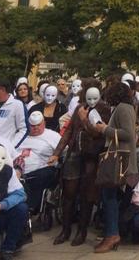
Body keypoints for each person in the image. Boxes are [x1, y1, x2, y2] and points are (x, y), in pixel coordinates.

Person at [51, 81, 109, 246]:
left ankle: (82, 232)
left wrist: (85, 120)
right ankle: (65, 230)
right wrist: (56, 153)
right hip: (75, 153)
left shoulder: (104, 109)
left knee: (87, 195)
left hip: (91, 155)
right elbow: (69, 131)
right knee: (68, 194)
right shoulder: (79, 108)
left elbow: (98, 133)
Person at [94, 82, 139, 253]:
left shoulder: (123, 108)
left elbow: (128, 134)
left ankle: (112, 234)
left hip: (122, 160)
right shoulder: (123, 107)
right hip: (122, 159)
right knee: (111, 197)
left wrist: (105, 129)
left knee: (110, 197)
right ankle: (112, 232)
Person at [12, 111, 60, 219]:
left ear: (44, 123)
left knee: (41, 176)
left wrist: (56, 157)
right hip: (17, 169)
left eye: (38, 125)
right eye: (33, 126)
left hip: (42, 169)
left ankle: (30, 207)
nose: (36, 128)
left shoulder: (53, 136)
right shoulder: (20, 136)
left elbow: (63, 152)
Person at [0, 144, 27, 259]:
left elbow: (20, 194)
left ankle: (7, 250)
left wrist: (0, 206)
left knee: (21, 209)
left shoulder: (7, 171)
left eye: (3, 158)